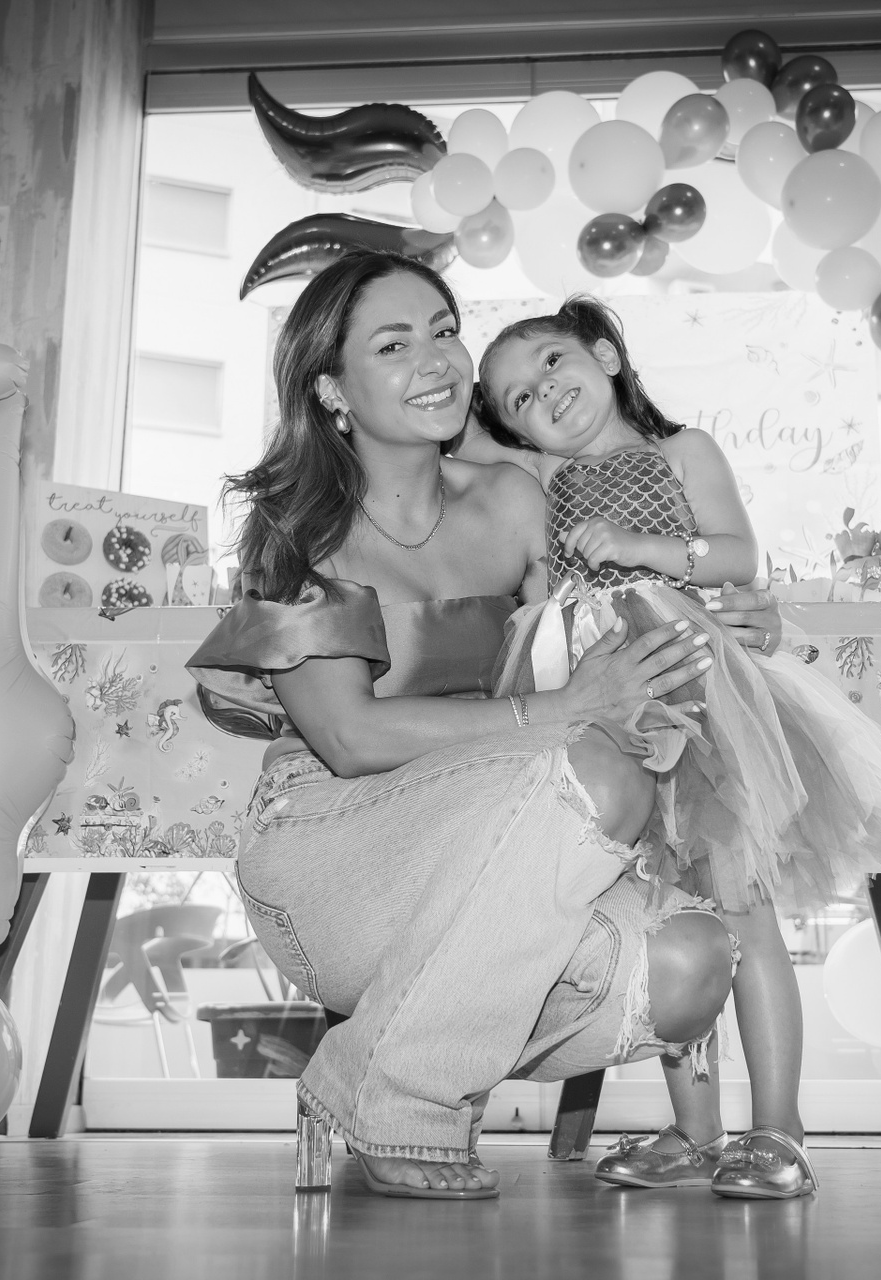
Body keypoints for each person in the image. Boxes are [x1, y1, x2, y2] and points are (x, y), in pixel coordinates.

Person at [186, 253, 785, 1200]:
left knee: (693, 961)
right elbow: (348, 740)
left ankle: (386, 1054)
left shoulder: (511, 498)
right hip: (336, 853)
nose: (436, 360)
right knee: (595, 770)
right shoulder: (299, 527)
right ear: (331, 388)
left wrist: (730, 619)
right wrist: (557, 713)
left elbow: (601, 621)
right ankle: (399, 1099)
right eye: (394, 345)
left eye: (443, 331)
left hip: (499, 848)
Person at [473, 297, 881, 1200]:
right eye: (518, 399)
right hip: (597, 702)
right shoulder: (536, 478)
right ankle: (697, 1132)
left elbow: (737, 554)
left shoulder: (682, 450)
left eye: (550, 363)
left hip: (692, 685)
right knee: (667, 916)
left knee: (742, 908)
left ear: (606, 355)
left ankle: (779, 1128)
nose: (543, 393)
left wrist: (638, 547)